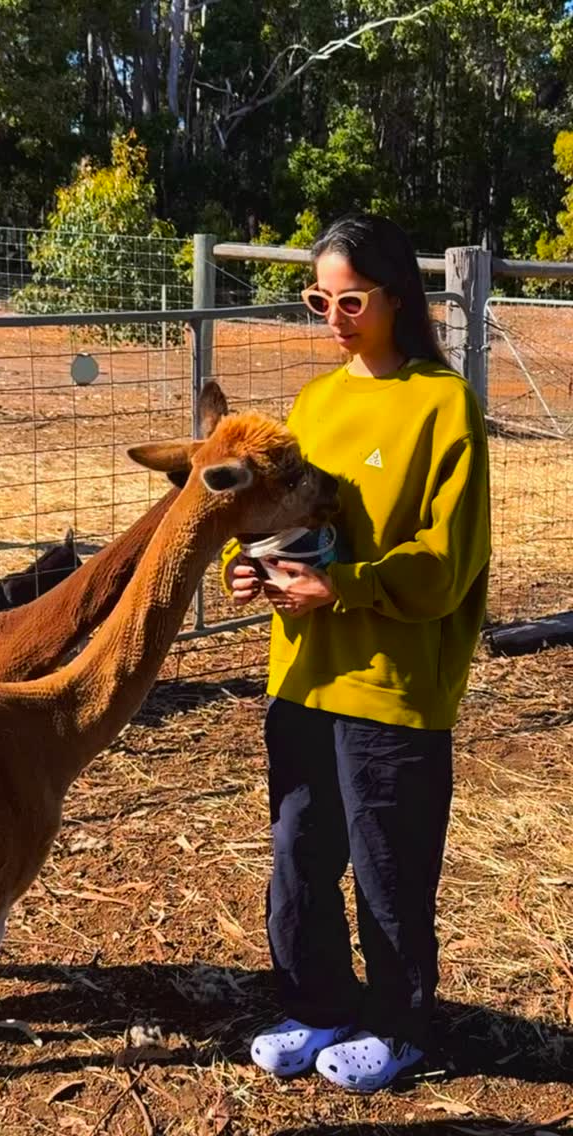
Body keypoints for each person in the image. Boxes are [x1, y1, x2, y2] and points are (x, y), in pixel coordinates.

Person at [221, 213, 490, 1093]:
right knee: (300, 850)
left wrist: (346, 587)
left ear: (395, 298)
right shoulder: (314, 403)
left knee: (387, 860)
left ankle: (402, 1026)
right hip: (302, 671)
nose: (333, 317)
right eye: (317, 300)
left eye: (350, 299)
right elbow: (276, 515)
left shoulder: (442, 406)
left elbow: (445, 563)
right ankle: (316, 1005)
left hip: (390, 679)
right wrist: (248, 568)